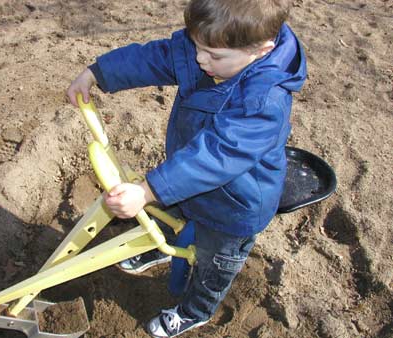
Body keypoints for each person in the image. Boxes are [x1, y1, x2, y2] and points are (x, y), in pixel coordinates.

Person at [67, 0, 306, 336]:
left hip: (235, 204)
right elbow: (161, 57)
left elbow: (216, 156)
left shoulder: (264, 101)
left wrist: (148, 190)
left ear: (262, 50)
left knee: (213, 264)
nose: (199, 59)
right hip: (187, 178)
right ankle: (162, 248)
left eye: (213, 55)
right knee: (174, 212)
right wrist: (98, 72)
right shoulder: (215, 45)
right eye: (197, 46)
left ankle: (196, 310)